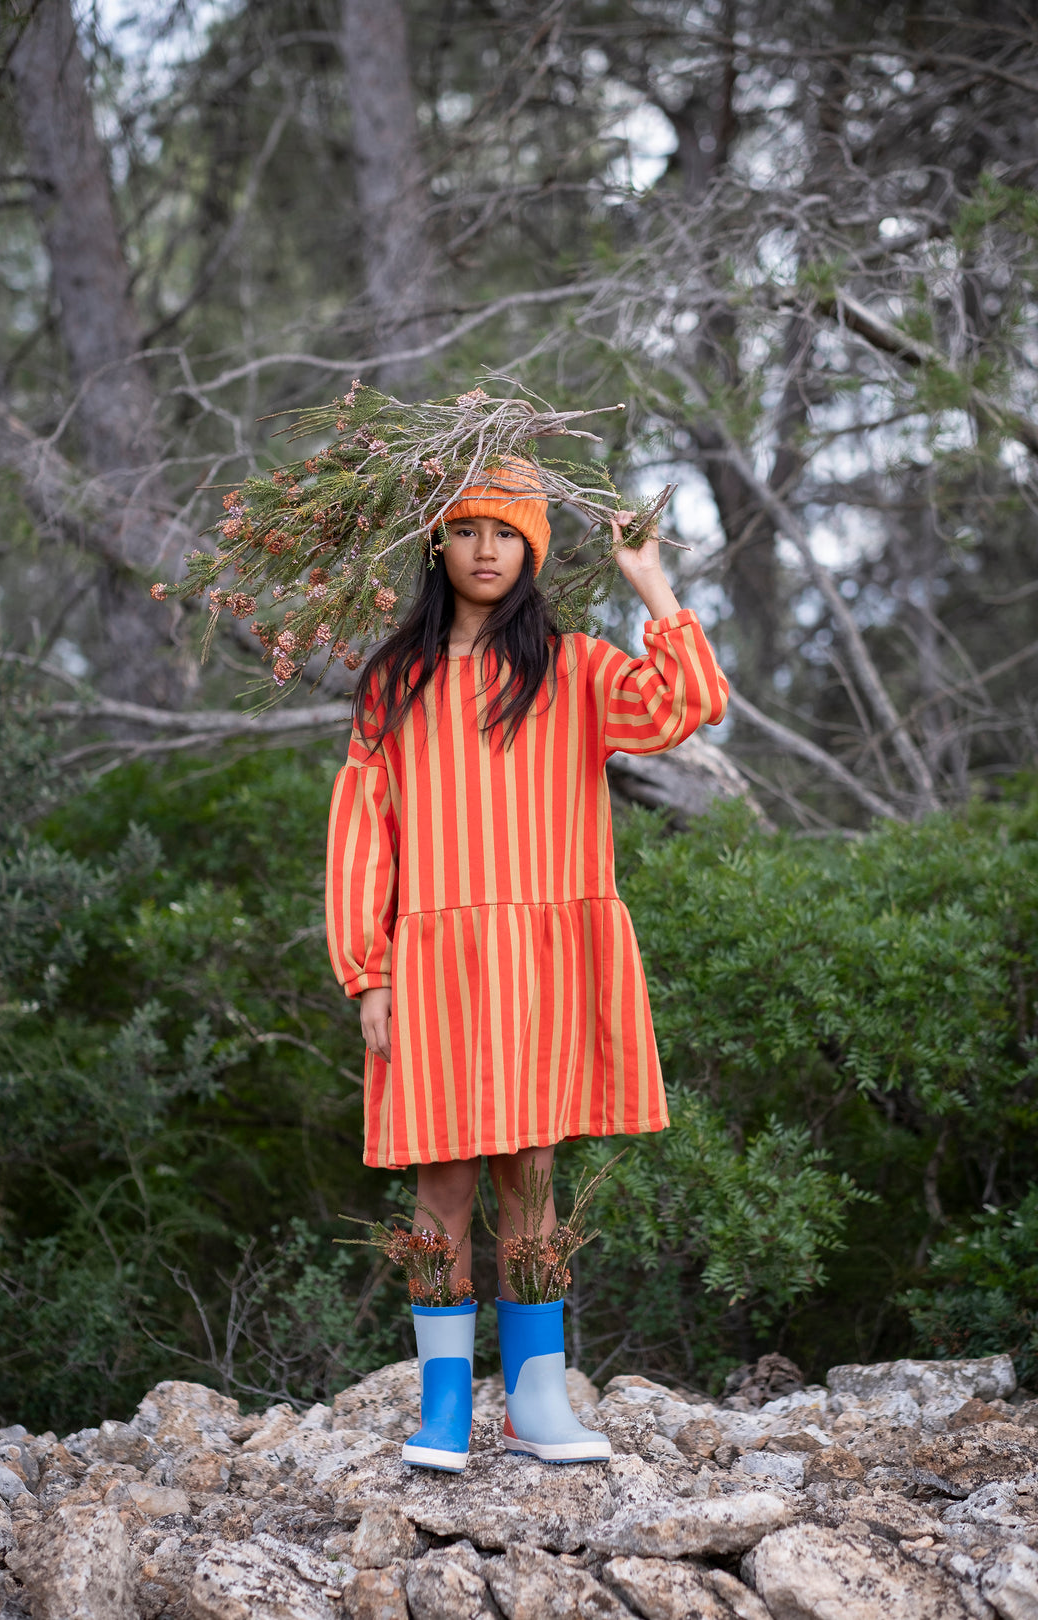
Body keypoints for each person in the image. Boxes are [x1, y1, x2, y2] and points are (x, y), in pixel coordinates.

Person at [326, 458, 728, 1472]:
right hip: (433, 963)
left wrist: (648, 580)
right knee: (442, 1186)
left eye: (507, 533)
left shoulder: (577, 668)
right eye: (467, 530)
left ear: (535, 548)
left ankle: (539, 1397)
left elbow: (690, 703)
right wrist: (367, 974)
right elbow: (363, 833)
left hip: (542, 962)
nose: (487, 549)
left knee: (530, 1175)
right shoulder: (395, 683)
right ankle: (445, 1404)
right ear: (438, 544)